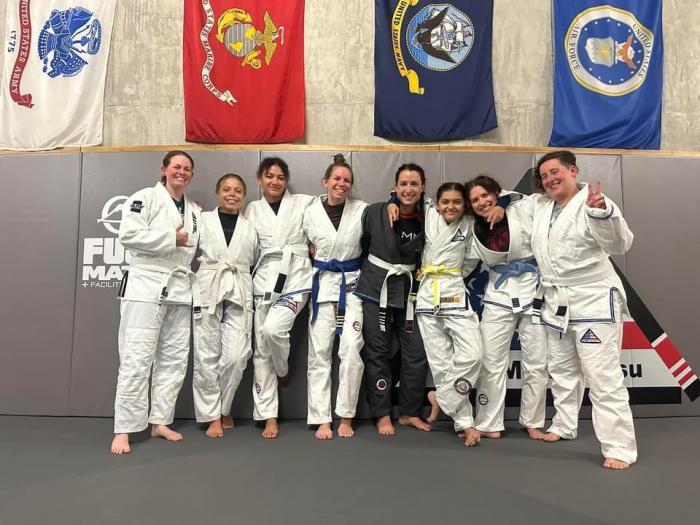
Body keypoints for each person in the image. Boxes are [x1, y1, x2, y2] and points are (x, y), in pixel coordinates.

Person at [532, 150, 637, 469]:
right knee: (562, 369)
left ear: (573, 170)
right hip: (557, 300)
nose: (550, 179)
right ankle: (564, 424)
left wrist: (602, 213)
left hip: (593, 298)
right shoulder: (543, 207)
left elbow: (619, 245)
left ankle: (619, 447)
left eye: (555, 172)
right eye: (544, 175)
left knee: (602, 376)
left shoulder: (594, 201)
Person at [111, 150, 201, 454]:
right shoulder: (144, 198)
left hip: (179, 286)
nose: (181, 172)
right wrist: (169, 238)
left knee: (174, 358)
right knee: (137, 356)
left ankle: (160, 421)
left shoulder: (194, 210)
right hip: (146, 285)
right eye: (176, 166)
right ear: (164, 170)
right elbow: (128, 235)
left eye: (187, 168)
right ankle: (124, 428)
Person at [467, 175, 549, 440]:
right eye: (475, 200)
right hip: (498, 294)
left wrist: (503, 203)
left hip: (533, 291)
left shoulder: (520, 206)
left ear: (497, 192)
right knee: (491, 361)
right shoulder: (472, 225)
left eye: (486, 195)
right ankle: (488, 423)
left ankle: (532, 421)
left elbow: (528, 198)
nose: (482, 202)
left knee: (537, 362)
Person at [355, 163, 431, 436]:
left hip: (409, 290)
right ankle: (382, 413)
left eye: (414, 184)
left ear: (423, 187)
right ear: (395, 187)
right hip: (377, 288)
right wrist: (389, 202)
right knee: (378, 351)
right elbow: (361, 245)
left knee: (416, 352)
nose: (408, 189)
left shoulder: (430, 216)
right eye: (403, 184)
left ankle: (409, 412)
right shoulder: (375, 211)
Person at [413, 182, 488, 447]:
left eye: (457, 202)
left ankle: (441, 398)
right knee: (441, 363)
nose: (450, 206)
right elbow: (404, 195)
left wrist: (451, 274)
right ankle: (465, 423)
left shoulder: (469, 224)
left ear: (464, 204)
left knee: (473, 354)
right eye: (445, 201)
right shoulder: (428, 213)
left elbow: (470, 261)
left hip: (453, 289)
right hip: (427, 294)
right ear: (437, 203)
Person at [246, 157, 314, 439]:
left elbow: (334, 204)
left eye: (280, 177)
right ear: (259, 179)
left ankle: (282, 369)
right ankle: (269, 416)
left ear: (287, 181)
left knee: (273, 330)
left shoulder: (304, 203)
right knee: (261, 349)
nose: (275, 182)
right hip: (263, 279)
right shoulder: (252, 209)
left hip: (296, 277)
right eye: (269, 176)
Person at [303, 154, 367, 439]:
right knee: (319, 354)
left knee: (351, 351)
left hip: (351, 286)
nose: (342, 183)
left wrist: (392, 202)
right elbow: (299, 244)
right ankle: (321, 418)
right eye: (337, 178)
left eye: (347, 180)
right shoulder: (309, 211)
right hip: (321, 286)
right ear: (325, 181)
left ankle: (346, 416)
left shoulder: (361, 210)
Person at [193, 174, 258, 438]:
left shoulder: (250, 226)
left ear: (244, 195)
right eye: (227, 190)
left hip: (240, 283)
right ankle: (212, 415)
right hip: (209, 282)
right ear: (217, 193)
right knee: (206, 353)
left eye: (238, 190)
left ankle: (224, 407)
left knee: (238, 355)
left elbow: (257, 258)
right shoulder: (203, 220)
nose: (232, 194)